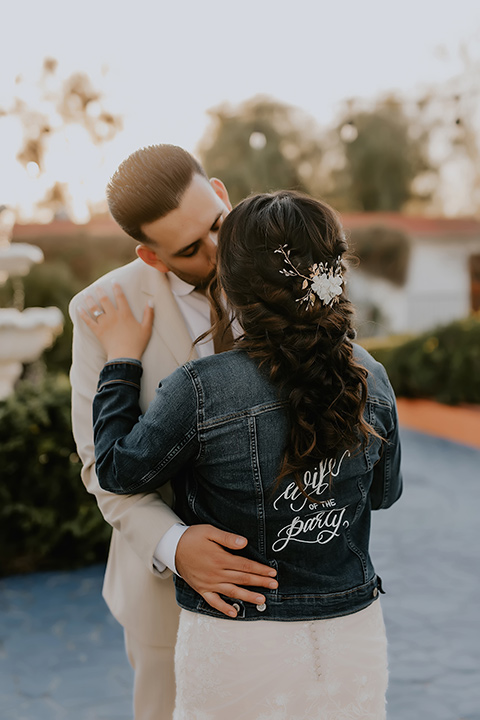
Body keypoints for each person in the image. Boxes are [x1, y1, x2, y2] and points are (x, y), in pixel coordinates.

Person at [82, 190, 402, 719]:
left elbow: (117, 469)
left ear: (233, 286)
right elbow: (384, 493)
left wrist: (120, 363)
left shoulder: (201, 388)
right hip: (351, 634)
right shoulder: (370, 374)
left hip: (238, 638)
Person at [68, 145, 277, 720]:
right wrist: (176, 547)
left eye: (217, 224)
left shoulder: (285, 262)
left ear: (222, 192)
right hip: (168, 602)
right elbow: (100, 466)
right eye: (189, 249)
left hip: (293, 578)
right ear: (151, 256)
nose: (217, 252)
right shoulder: (99, 310)